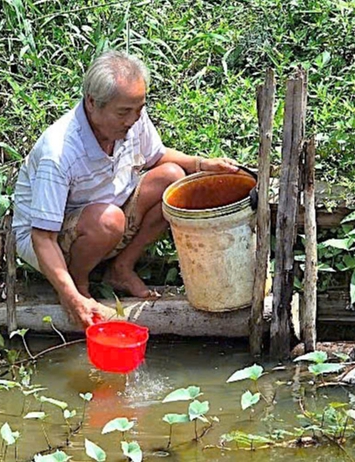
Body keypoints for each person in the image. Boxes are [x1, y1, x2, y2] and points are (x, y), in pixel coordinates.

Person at [12, 50, 239, 327]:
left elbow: (157, 157)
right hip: (54, 236)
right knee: (108, 221)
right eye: (123, 112)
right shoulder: (58, 152)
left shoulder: (132, 119)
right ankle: (79, 287)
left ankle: (120, 268)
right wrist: (71, 296)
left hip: (108, 213)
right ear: (92, 104)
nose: (133, 120)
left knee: (172, 177)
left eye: (139, 109)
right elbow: (42, 238)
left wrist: (203, 165)